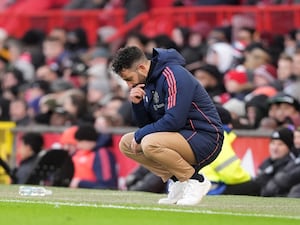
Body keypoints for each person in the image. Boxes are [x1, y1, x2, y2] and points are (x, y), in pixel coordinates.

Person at [111, 46, 224, 206]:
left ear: (142, 68)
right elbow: (149, 126)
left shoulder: (174, 75)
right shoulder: (147, 82)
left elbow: (174, 121)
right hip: (178, 136)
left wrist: (140, 134)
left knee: (149, 142)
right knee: (126, 143)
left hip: (204, 137)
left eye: (129, 79)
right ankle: (178, 181)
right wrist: (137, 105)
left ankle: (196, 180)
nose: (129, 85)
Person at [69, 123, 118, 189]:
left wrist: (80, 183)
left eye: (80, 142)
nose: (78, 146)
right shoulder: (80, 153)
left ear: (88, 141)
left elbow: (107, 185)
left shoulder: (102, 154)